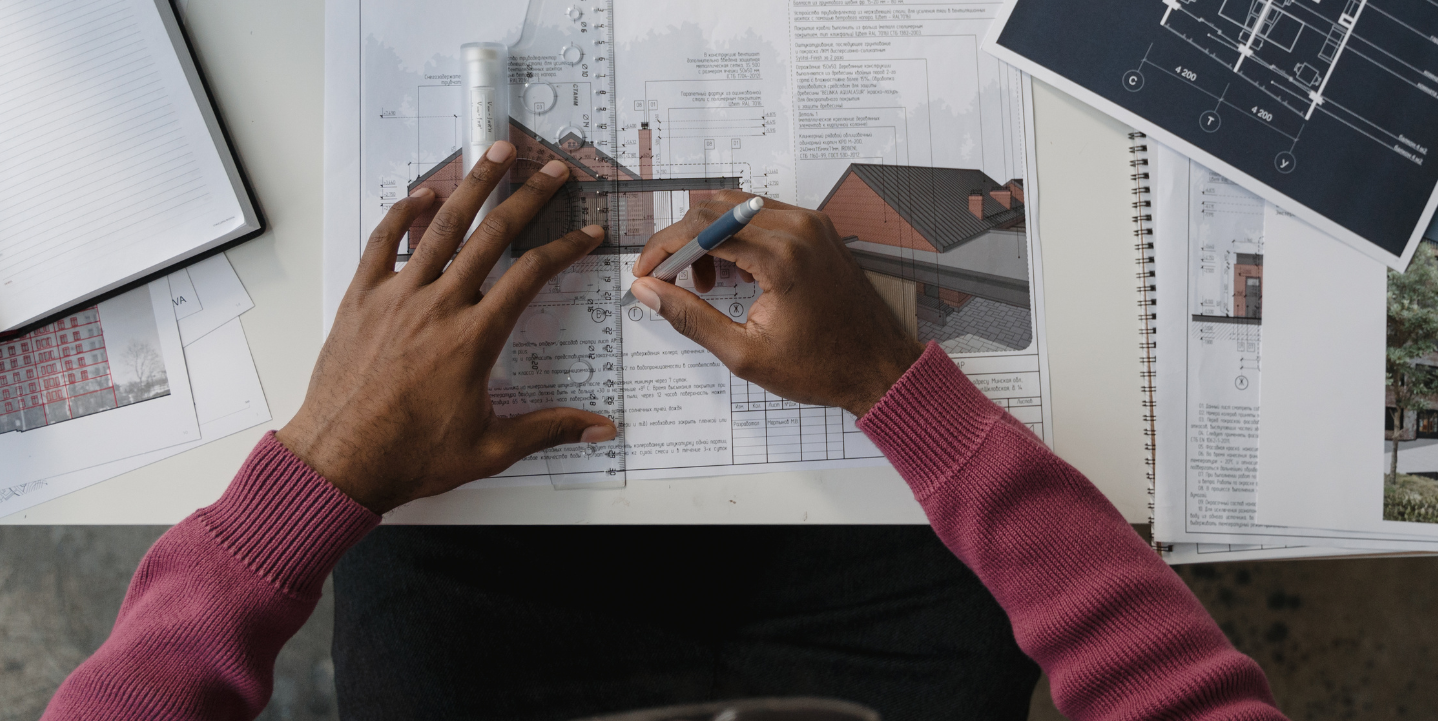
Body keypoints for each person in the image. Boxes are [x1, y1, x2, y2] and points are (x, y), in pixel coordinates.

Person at [44, 142, 1285, 721]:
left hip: (494, 658)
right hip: (890, 658)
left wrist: (322, 471)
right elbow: (1167, 692)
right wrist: (902, 397)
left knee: (435, 547)